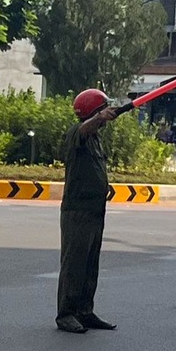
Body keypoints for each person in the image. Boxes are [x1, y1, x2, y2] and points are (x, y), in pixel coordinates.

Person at [55, 88, 119, 334]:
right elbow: (83, 130)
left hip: (95, 209)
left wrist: (104, 185)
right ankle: (67, 314)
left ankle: (84, 311)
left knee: (90, 264)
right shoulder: (77, 132)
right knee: (74, 263)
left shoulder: (96, 140)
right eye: (101, 110)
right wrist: (100, 117)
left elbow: (91, 167)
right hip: (78, 211)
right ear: (94, 112)